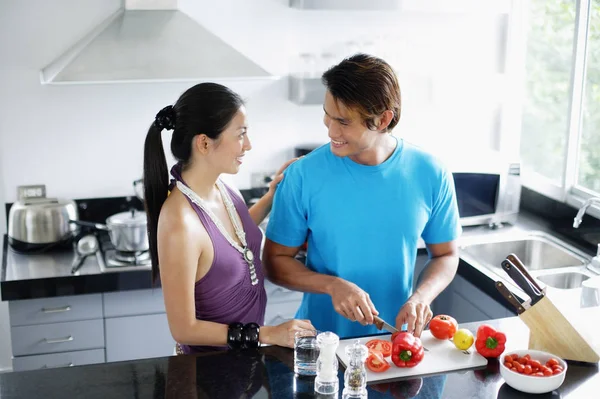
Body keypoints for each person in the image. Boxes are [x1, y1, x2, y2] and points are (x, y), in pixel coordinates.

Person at [263, 54, 462, 339]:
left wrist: (421, 297)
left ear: (383, 119)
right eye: (327, 116)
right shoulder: (303, 175)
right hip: (319, 344)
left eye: (343, 122)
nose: (331, 131)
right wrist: (331, 285)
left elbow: (446, 254)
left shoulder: (431, 172)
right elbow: (274, 262)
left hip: (397, 344)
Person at [143, 82, 314, 354]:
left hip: (243, 363)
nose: (248, 145)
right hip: (207, 376)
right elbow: (183, 328)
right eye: (240, 134)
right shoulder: (179, 223)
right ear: (204, 143)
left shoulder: (222, 188)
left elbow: (231, 236)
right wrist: (269, 334)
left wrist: (271, 196)